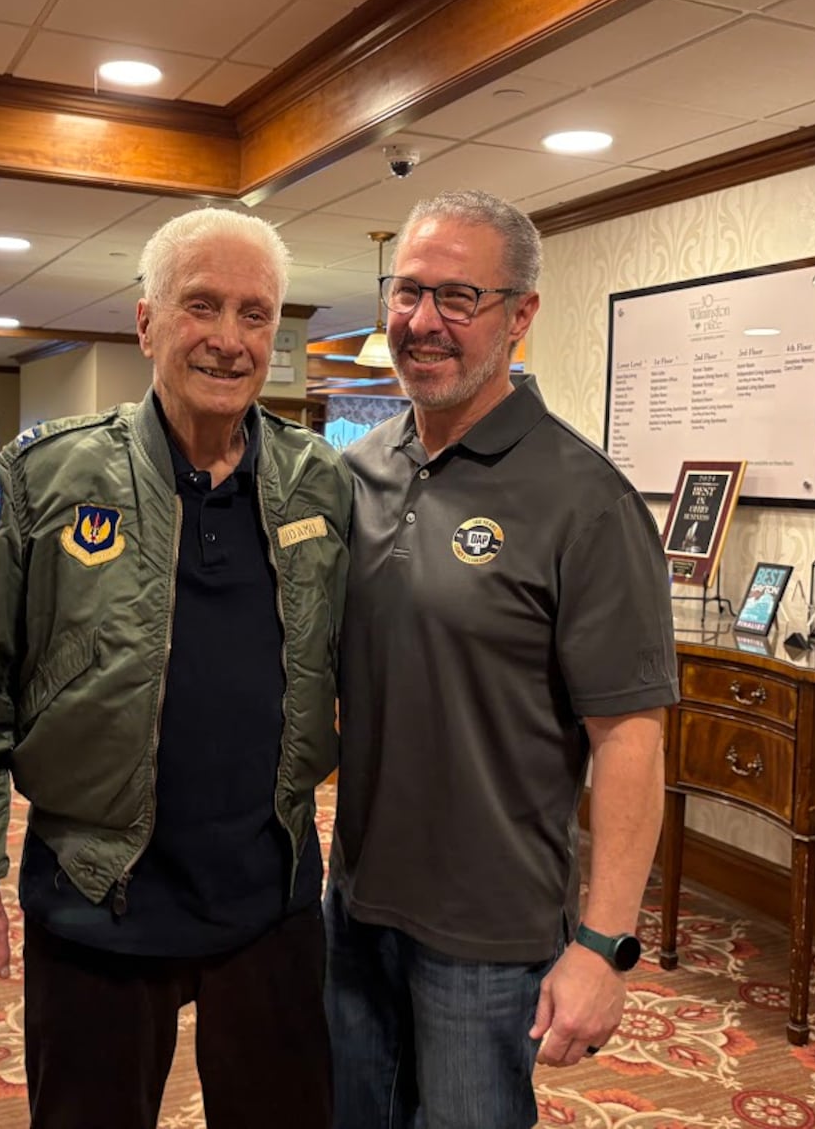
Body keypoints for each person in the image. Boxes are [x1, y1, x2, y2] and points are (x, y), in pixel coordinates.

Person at [0, 207, 352, 1129]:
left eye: (256, 314)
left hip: (270, 902)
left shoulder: (322, 482)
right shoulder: (48, 477)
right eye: (202, 306)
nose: (230, 340)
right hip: (99, 896)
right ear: (146, 322)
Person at [327, 190, 679, 1129]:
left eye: (458, 297)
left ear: (519, 315)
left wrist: (603, 944)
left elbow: (629, 737)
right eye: (407, 292)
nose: (422, 322)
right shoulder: (355, 474)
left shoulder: (586, 500)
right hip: (353, 903)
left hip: (489, 933)